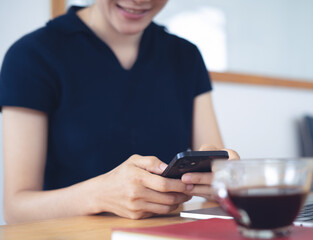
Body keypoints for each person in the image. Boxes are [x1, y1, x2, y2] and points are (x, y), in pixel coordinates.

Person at [0, 0, 239, 224]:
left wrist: (223, 179)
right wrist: (99, 195)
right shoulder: (32, 55)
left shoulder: (186, 56)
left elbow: (217, 177)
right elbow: (16, 208)